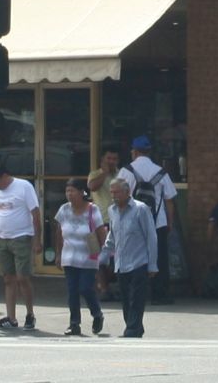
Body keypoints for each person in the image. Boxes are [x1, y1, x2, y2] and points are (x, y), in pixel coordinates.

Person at [0, 162, 42, 330]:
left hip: (22, 236)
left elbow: (35, 213)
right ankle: (11, 317)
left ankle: (30, 313)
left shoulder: (23, 187)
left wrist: (37, 239)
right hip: (3, 238)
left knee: (23, 277)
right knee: (8, 278)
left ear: (5, 176)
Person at [119, 135, 178, 303]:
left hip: (132, 222)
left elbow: (118, 197)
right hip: (157, 221)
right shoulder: (160, 172)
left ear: (134, 152)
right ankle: (160, 295)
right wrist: (169, 222)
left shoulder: (126, 171)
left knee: (133, 257)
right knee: (158, 258)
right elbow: (169, 200)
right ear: (149, 151)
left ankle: (134, 293)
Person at [100, 175, 158, 337]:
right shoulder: (112, 211)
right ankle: (135, 327)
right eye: (112, 193)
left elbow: (151, 237)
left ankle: (132, 329)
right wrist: (104, 255)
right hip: (121, 263)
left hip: (139, 262)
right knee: (126, 299)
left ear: (127, 192)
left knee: (136, 299)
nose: (114, 196)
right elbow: (112, 236)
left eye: (117, 192)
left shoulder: (141, 209)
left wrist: (152, 264)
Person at [53, 177, 107, 336]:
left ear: (81, 192)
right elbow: (59, 232)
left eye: (72, 191)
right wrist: (58, 253)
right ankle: (74, 323)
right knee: (72, 291)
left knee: (85, 287)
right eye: (67, 191)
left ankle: (97, 313)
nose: (69, 194)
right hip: (69, 257)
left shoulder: (92, 209)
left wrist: (103, 253)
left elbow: (101, 232)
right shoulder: (64, 209)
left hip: (88, 256)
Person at [87, 144, 124, 299]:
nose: (111, 161)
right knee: (99, 257)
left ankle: (117, 287)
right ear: (102, 159)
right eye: (108, 158)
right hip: (100, 221)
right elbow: (92, 187)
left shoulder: (123, 175)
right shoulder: (95, 174)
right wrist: (105, 173)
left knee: (117, 256)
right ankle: (103, 289)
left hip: (119, 221)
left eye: (114, 159)